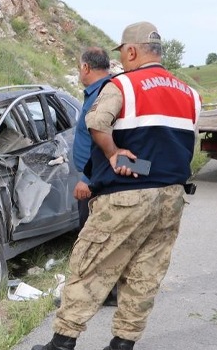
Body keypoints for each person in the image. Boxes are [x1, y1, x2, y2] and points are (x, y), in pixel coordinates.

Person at [32, 21, 201, 350]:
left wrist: (113, 154)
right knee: (146, 272)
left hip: (127, 194)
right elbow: (183, 145)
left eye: (122, 53)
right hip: (172, 196)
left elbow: (96, 122)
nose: (121, 60)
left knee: (89, 263)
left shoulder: (123, 85)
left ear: (133, 50)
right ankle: (123, 343)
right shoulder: (189, 93)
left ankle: (62, 343)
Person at [72, 47, 118, 307]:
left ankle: (95, 294)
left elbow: (100, 137)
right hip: (97, 175)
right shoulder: (100, 91)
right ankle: (106, 292)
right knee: (98, 236)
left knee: (92, 237)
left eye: (80, 67)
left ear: (86, 68)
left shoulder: (103, 93)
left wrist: (87, 178)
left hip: (96, 178)